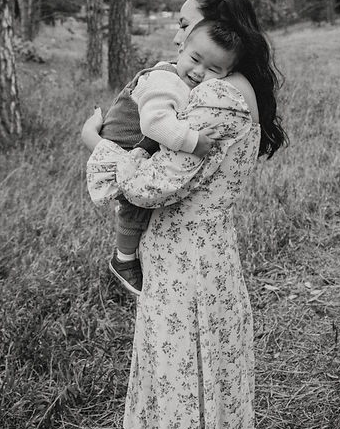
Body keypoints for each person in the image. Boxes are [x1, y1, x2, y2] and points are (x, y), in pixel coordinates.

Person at [87, 0, 287, 429]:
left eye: (185, 25)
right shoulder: (223, 85)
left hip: (189, 263)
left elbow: (150, 186)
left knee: (184, 382)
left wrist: (98, 144)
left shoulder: (218, 96)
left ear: (217, 29)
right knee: (197, 378)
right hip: (204, 253)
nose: (178, 40)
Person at [82, 18, 245, 296]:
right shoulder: (166, 80)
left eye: (213, 70)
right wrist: (192, 141)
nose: (198, 72)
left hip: (136, 148)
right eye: (195, 59)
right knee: (134, 207)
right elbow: (154, 124)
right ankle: (123, 260)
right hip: (123, 147)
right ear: (181, 51)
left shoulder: (183, 80)